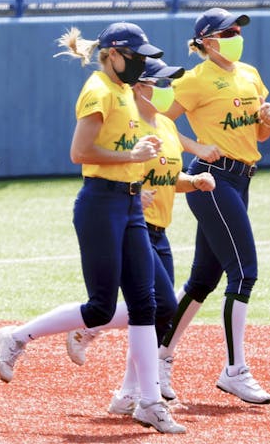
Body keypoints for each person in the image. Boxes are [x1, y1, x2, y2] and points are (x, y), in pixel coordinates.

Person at [0, 22, 186, 433]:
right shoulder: (99, 90)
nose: (140, 63)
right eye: (135, 56)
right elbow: (80, 152)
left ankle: (148, 401)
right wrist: (132, 154)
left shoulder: (125, 94)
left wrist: (141, 157)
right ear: (113, 54)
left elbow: (123, 148)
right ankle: (17, 336)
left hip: (131, 203)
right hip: (101, 203)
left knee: (149, 305)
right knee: (100, 305)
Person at [64, 58, 216, 411]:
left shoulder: (163, 124)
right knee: (154, 306)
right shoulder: (126, 118)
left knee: (156, 310)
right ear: (139, 87)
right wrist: (136, 191)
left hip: (160, 227)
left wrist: (192, 182)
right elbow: (114, 163)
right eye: (159, 83)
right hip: (134, 221)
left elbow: (165, 175)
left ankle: (129, 393)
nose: (167, 91)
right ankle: (70, 333)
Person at [158, 8, 270, 404]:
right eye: (228, 31)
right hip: (212, 179)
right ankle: (235, 371)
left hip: (240, 178)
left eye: (238, 29)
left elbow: (260, 135)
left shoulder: (250, 73)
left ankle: (160, 359)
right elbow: (157, 122)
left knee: (203, 279)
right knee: (244, 273)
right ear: (208, 41)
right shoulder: (194, 80)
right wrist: (194, 146)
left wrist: (269, 120)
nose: (237, 34)